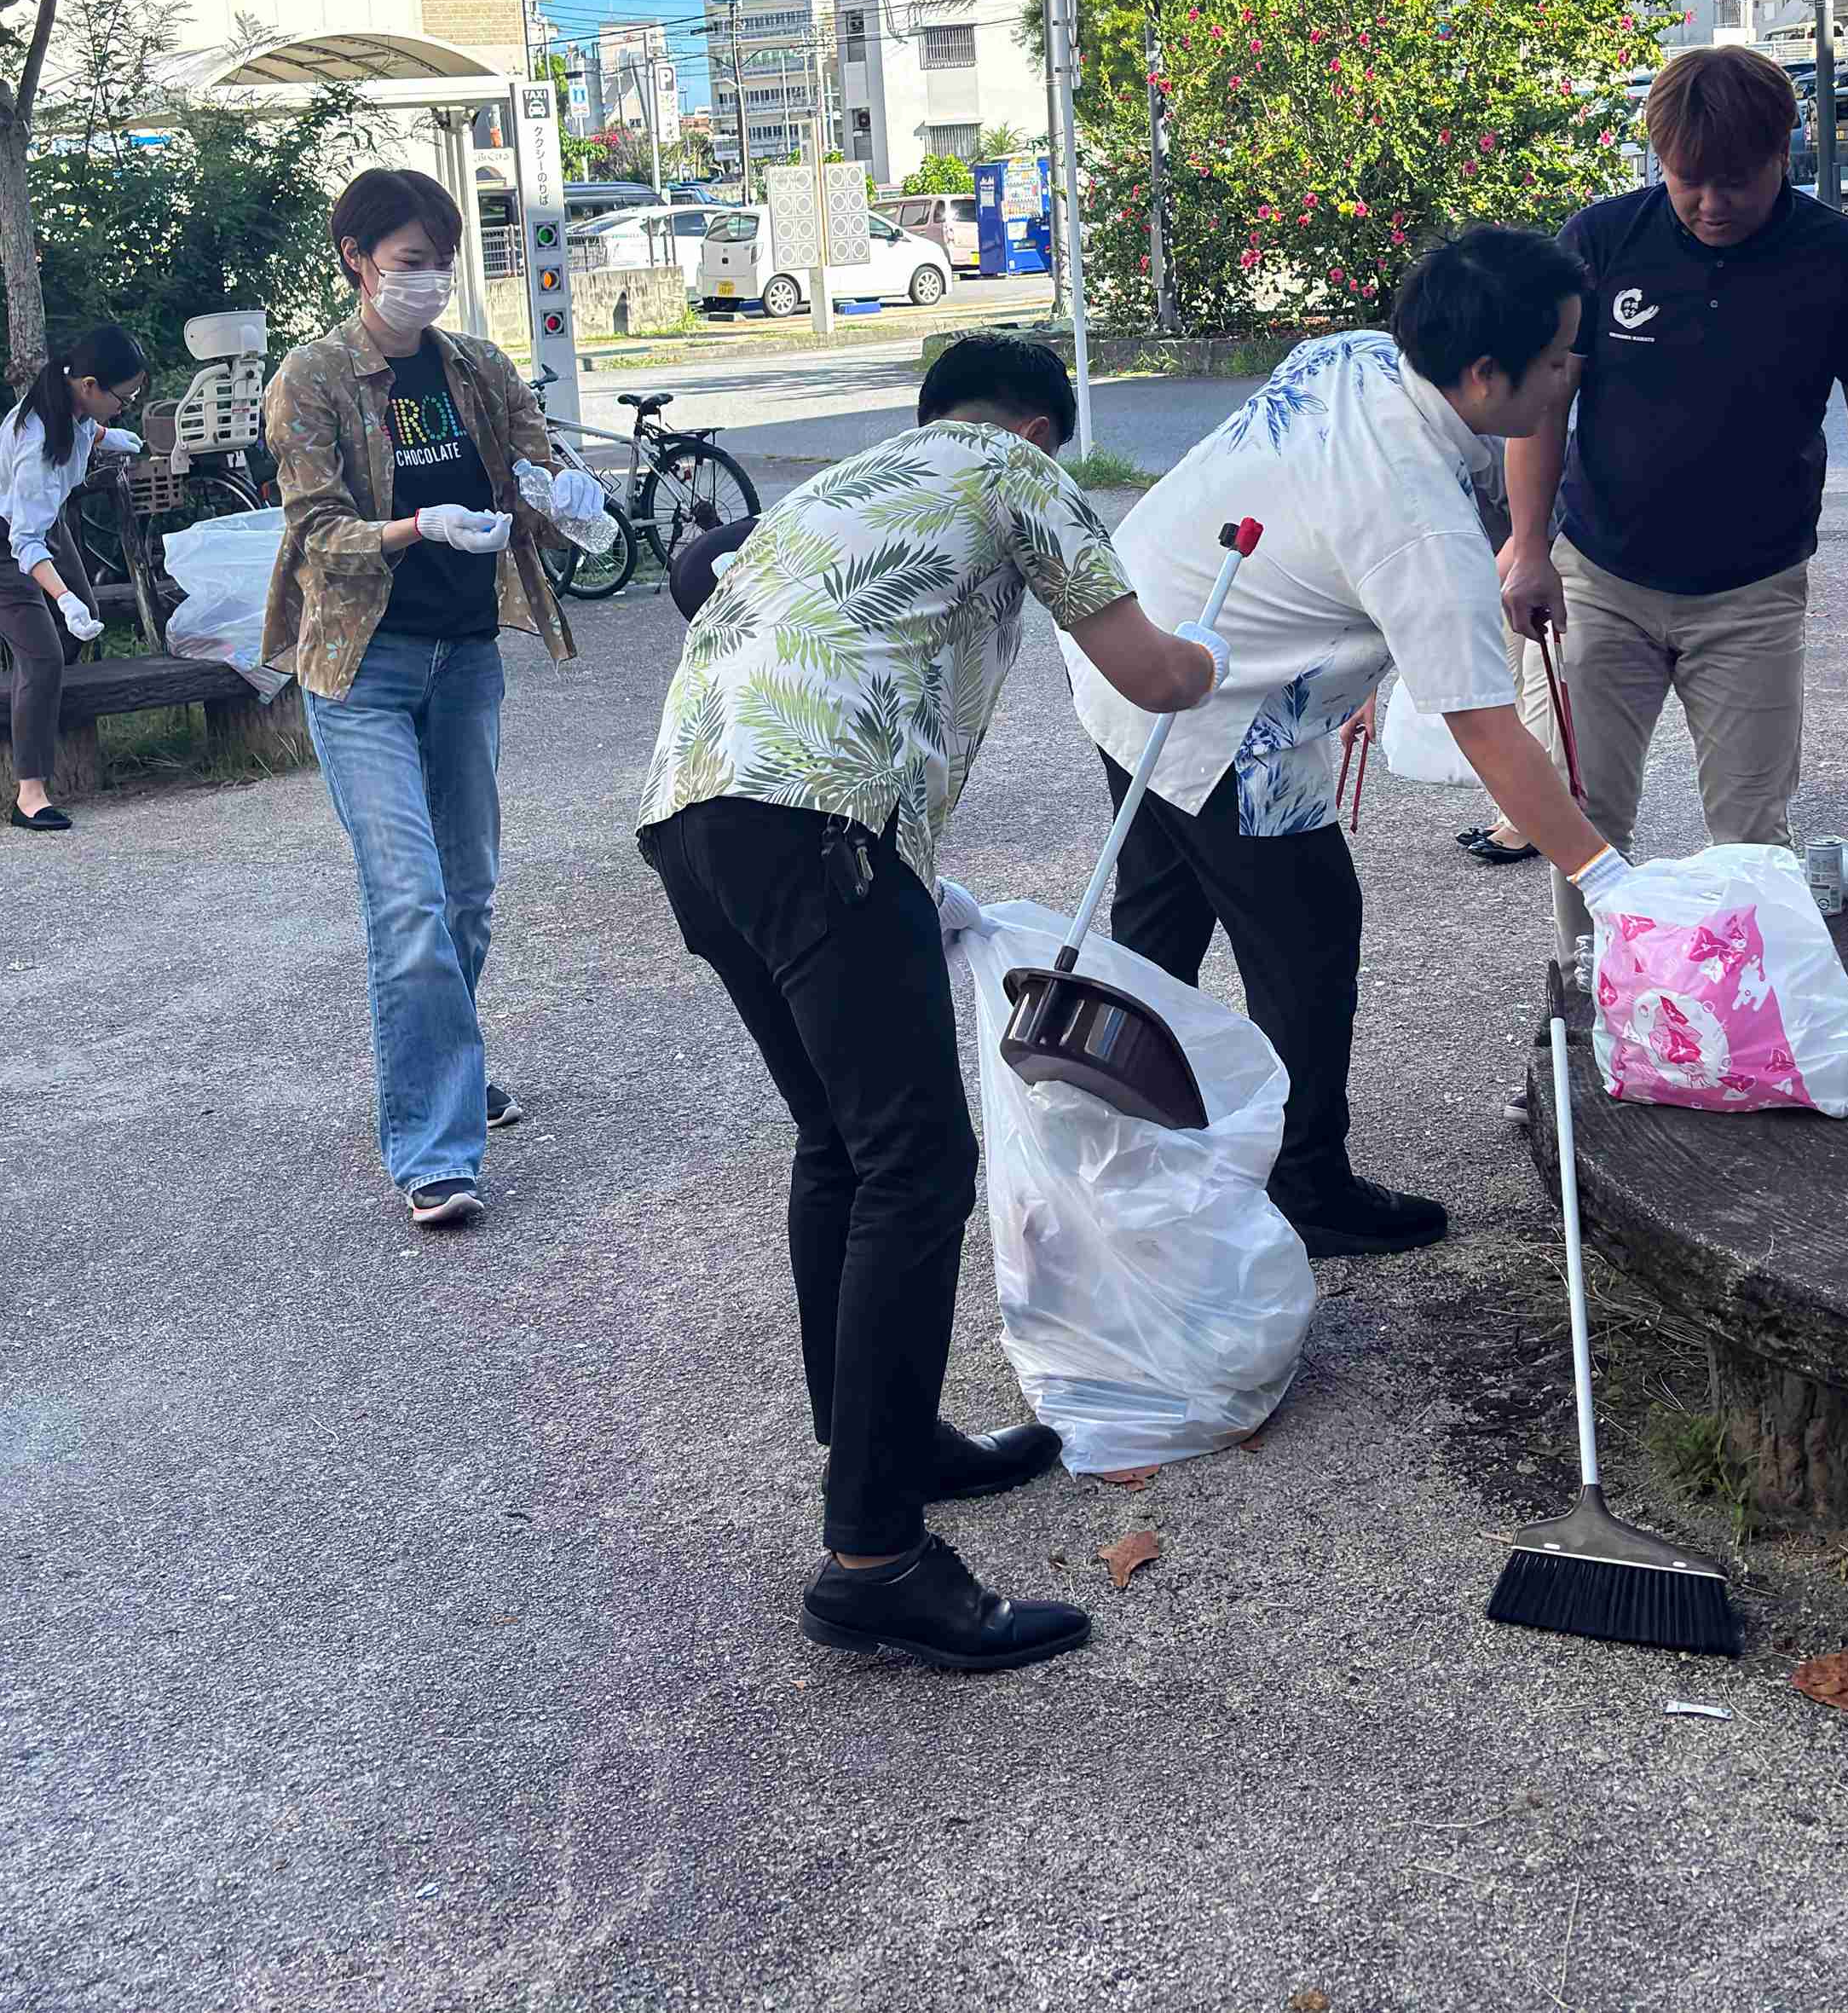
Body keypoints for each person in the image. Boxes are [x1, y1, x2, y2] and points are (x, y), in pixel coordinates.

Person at [640, 332, 1220, 1672]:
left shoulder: (839, 488)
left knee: (843, 1146)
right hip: (814, 820)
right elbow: (1145, 672)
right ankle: (873, 1558)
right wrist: (1207, 663)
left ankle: (880, 1446)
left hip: (692, 820)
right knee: (916, 1163)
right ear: (1034, 426)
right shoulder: (1013, 470)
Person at [1064, 229, 1628, 1261]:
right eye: (1555, 358)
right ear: (1482, 375)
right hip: (1216, 708)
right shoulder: (1418, 523)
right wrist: (1605, 873)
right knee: (1310, 932)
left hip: (1127, 635)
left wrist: (1344, 660)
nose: (1572, 373)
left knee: (1160, 915)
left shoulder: (1364, 355)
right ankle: (1305, 1182)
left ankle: (1131, 1149)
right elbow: (1489, 733)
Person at [1492, 44, 1848, 932]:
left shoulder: (1841, 259)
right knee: (1580, 822)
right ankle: (1588, 1009)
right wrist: (1528, 543)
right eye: (1686, 179)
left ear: (1785, 149)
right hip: (1598, 580)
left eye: (1733, 181)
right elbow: (1543, 406)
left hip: (1752, 592)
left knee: (1751, 836)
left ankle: (1742, 1026)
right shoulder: (1600, 241)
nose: (1708, 203)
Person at [263, 168, 609, 1231]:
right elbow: (317, 533)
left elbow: (534, 477)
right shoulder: (311, 378)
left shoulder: (477, 368)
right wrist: (420, 529)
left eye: (440, 264)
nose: (428, 284)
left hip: (464, 662)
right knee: (408, 900)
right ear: (357, 261)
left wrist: (565, 500)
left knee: (467, 894)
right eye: (408, 264)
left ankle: (440, 1071)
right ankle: (434, 1149)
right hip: (362, 670)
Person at [0, 326, 147, 835]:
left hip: (43, 526)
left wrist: (115, 438)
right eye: (123, 397)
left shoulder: (73, 403)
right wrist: (62, 598)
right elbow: (24, 544)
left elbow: (90, 429)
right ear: (89, 384)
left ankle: (33, 697)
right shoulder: (37, 443)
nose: (127, 404)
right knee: (44, 652)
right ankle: (29, 793)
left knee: (78, 628)